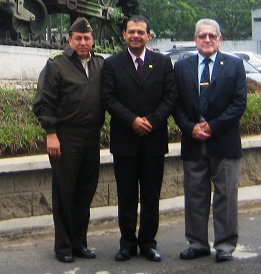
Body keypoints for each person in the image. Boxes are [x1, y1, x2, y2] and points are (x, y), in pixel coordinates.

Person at [101, 15, 177, 262]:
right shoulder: (112, 64)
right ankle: (127, 243)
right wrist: (132, 120)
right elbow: (108, 98)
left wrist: (152, 122)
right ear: (124, 34)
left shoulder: (163, 63)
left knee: (151, 196)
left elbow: (170, 97)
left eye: (140, 32)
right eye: (131, 31)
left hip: (154, 141)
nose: (136, 35)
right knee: (126, 196)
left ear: (148, 36)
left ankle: (147, 243)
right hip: (125, 141)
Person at [173, 18, 247, 263]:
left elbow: (239, 103)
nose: (207, 40)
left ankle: (225, 245)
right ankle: (197, 243)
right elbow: (175, 103)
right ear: (194, 39)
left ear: (220, 39)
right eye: (202, 36)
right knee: (195, 195)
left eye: (212, 36)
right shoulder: (181, 67)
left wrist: (212, 127)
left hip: (224, 141)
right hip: (193, 140)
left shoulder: (234, 65)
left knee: (226, 196)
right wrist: (190, 127)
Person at [32, 17, 105, 263]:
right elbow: (44, 101)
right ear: (70, 40)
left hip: (91, 137)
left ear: (92, 40)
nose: (83, 42)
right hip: (65, 137)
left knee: (85, 191)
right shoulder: (56, 64)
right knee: (65, 193)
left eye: (87, 38)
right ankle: (63, 246)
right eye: (78, 38)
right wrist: (51, 133)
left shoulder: (100, 64)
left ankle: (79, 243)